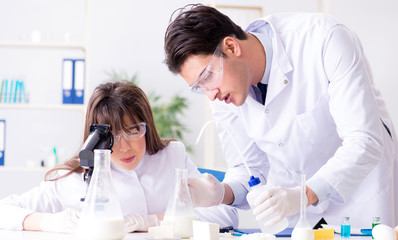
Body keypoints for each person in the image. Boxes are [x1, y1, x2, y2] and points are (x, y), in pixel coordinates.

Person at [164, 4, 398, 228]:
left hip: (361, 202)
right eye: (198, 87)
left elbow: (364, 141)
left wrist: (303, 195)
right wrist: (221, 193)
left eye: (207, 77)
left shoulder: (324, 39)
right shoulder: (223, 92)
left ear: (231, 47)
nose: (210, 94)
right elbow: (250, 169)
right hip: (298, 219)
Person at [0, 81, 238, 233]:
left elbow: (225, 214)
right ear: (96, 136)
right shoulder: (74, 177)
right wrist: (47, 222)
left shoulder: (172, 157)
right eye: (112, 135)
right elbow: (4, 211)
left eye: (134, 130)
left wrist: (155, 221)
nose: (124, 147)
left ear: (148, 126)